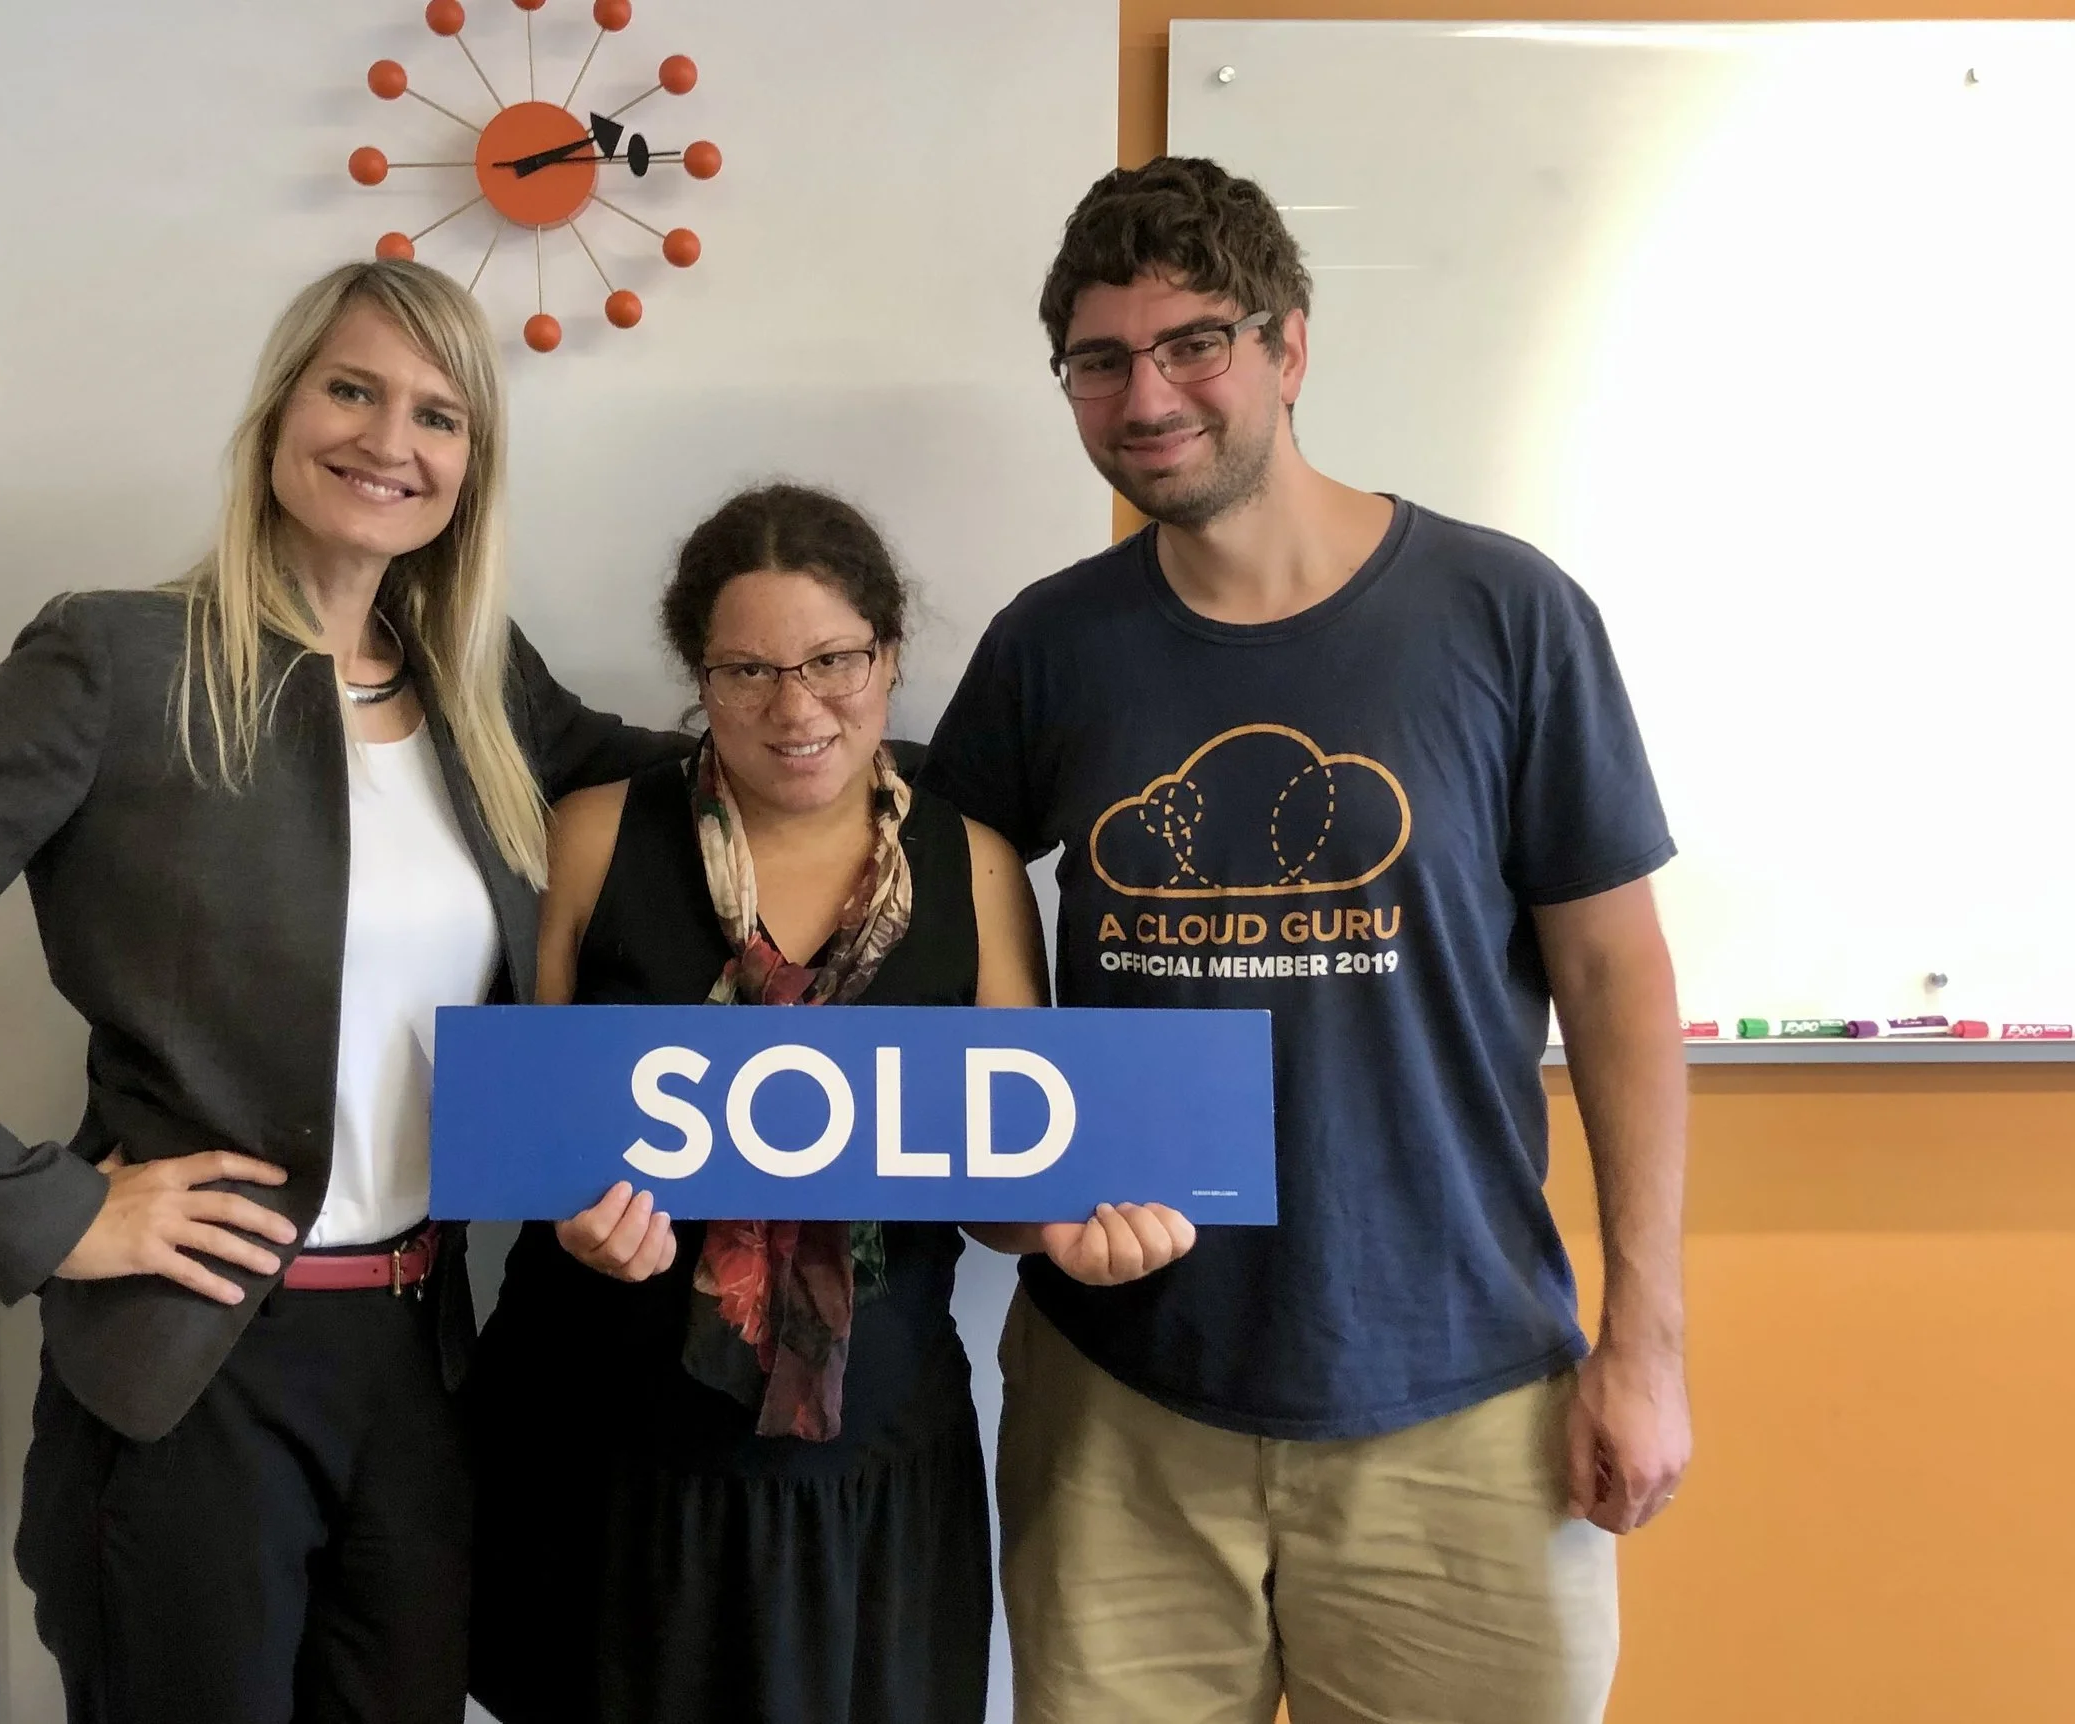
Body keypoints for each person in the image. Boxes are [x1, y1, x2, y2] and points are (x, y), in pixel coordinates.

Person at [0, 258, 674, 1724]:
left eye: (438, 415)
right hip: (193, 1367)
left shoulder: (487, 686)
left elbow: (707, 790)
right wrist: (52, 1208)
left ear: (472, 467)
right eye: (350, 388)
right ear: (280, 412)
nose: (387, 440)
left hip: (423, 1369)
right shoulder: (114, 661)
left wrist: (912, 765)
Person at [918, 156, 1694, 1724]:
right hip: (1123, 1405)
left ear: (1289, 345)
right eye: (1100, 359)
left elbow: (1619, 980)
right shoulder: (1047, 647)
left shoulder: (1503, 613)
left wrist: (1647, 1342)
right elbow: (955, 937)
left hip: (1462, 1394)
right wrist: (1010, 1196)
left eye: (1194, 341)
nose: (1147, 395)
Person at [466, 483, 1195, 1724]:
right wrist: (569, 1219)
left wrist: (1064, 1233)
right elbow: (531, 1135)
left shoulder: (972, 864)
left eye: (833, 659)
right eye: (747, 668)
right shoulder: (592, 836)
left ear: (892, 655)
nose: (795, 706)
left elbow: (1000, 1186)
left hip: (870, 1464)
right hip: (614, 1453)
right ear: (698, 677)